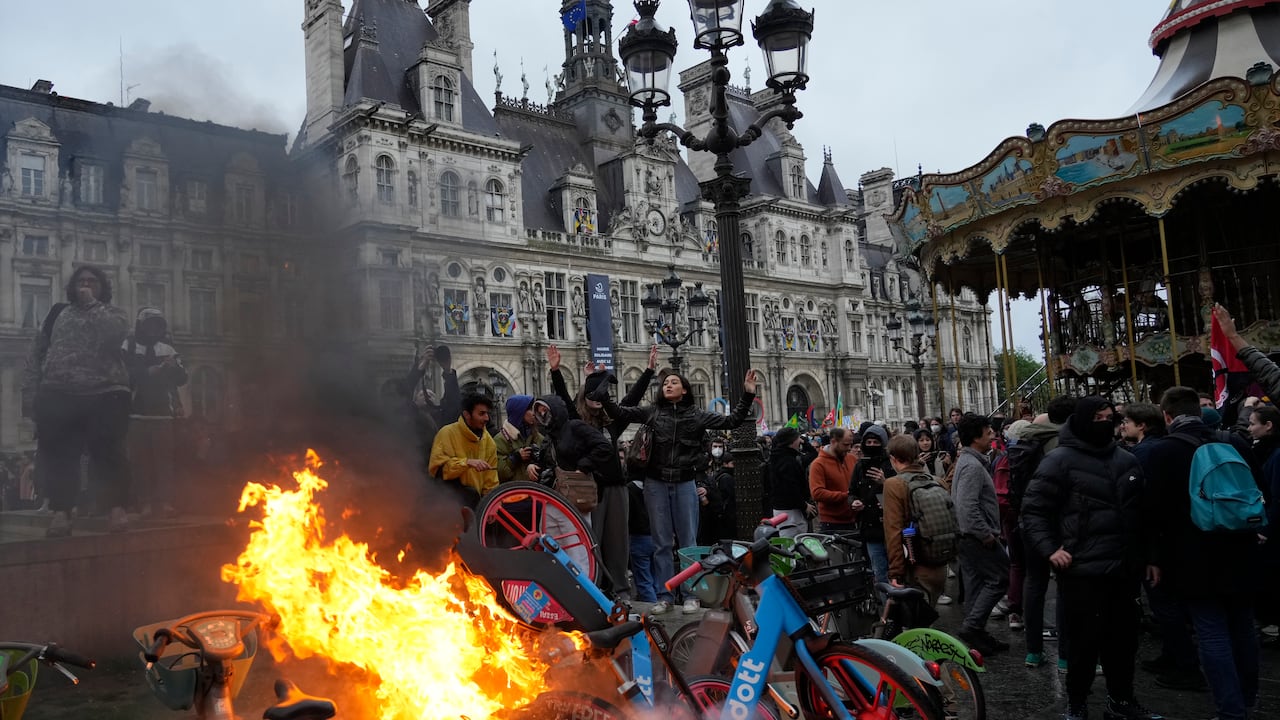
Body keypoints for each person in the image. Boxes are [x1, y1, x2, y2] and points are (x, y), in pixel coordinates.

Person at [1022, 396, 1161, 720]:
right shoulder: (1059, 461)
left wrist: (1151, 556)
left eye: (1109, 417)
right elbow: (1034, 510)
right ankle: (1077, 702)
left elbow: (1146, 514)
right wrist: (1051, 549)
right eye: (1097, 417)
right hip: (1082, 567)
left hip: (1124, 567)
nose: (1104, 422)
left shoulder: (1126, 460)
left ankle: (1121, 700)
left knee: (1123, 641)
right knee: (1083, 642)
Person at [597, 370, 759, 615]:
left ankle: (691, 595)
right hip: (656, 483)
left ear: (684, 390)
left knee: (688, 543)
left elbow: (732, 421)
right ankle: (665, 596)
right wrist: (604, 396)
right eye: (665, 383)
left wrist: (747, 394)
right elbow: (620, 412)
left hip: (684, 483)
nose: (668, 385)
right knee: (661, 544)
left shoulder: (696, 415)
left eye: (674, 382)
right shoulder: (652, 412)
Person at [1145, 386, 1260, 720]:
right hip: (1240, 546)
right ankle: (1248, 698)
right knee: (1243, 627)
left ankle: (1230, 710)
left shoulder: (1164, 451)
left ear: (1167, 415)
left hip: (1193, 553)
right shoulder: (1232, 441)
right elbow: (1259, 491)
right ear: (1199, 410)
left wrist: (1153, 556)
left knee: (1211, 632)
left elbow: (1153, 510)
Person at [22, 266, 132, 536]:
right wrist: (32, 392)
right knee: (60, 455)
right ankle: (62, 512)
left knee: (108, 452)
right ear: (71, 286)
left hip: (104, 391)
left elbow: (115, 335)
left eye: (92, 282)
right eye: (81, 281)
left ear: (102, 287)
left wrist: (92, 304)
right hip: (59, 391)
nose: (85, 285)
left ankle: (116, 509)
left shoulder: (112, 313)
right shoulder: (58, 313)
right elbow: (37, 351)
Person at [548, 344, 656, 600]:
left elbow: (631, 400)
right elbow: (564, 400)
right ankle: (593, 586)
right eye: (592, 395)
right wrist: (555, 371)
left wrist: (649, 371)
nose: (597, 400)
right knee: (591, 538)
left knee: (618, 541)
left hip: (617, 487)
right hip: (590, 487)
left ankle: (620, 589)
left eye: (601, 395)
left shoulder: (614, 421)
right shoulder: (577, 423)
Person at [1010, 396, 1075, 669]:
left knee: (1034, 583)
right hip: (1059, 519)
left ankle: (1033, 651)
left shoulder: (1024, 436)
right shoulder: (1066, 442)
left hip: (1029, 518)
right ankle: (1065, 654)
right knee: (1066, 586)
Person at [950, 412, 1010, 656]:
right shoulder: (972, 466)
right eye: (988, 433)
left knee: (976, 584)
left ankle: (976, 632)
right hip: (977, 537)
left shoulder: (970, 461)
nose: (993, 436)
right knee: (1000, 578)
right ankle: (973, 626)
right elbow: (966, 506)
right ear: (976, 438)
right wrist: (984, 533)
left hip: (969, 536)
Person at [123, 307, 187, 517]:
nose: (153, 329)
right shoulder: (129, 346)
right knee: (140, 461)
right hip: (136, 413)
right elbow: (123, 374)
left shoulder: (167, 349)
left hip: (162, 414)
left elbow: (182, 378)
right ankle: (145, 502)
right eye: (149, 325)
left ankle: (166, 501)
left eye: (157, 325)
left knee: (164, 461)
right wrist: (147, 372)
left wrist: (172, 368)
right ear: (141, 326)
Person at [882, 434, 951, 604]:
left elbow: (894, 531)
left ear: (893, 458)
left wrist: (895, 572)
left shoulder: (894, 484)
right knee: (928, 617)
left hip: (915, 566)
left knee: (914, 625)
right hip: (940, 563)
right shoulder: (937, 481)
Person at [428, 393, 499, 507]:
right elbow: (438, 471)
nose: (486, 418)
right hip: (446, 504)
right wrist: (466, 463)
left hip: (475, 506)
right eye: (481, 414)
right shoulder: (446, 433)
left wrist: (491, 505)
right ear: (467, 414)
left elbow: (491, 481)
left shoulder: (489, 442)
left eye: (487, 413)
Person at [1248, 404, 1280, 639]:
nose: (1249, 428)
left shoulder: (1276, 454)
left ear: (1268, 426)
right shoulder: (1264, 450)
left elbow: (1277, 495)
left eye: (1252, 423)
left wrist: (1266, 529)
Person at [850, 424, 894, 583]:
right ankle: (885, 605)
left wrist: (885, 482)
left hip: (891, 527)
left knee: (895, 570)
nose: (872, 446)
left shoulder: (891, 463)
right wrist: (854, 502)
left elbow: (901, 490)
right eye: (868, 442)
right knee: (879, 571)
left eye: (876, 442)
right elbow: (852, 491)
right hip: (870, 527)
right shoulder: (859, 465)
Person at [808, 428, 859, 534]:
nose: (849, 448)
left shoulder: (852, 459)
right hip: (831, 523)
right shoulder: (818, 464)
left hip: (854, 520)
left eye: (850, 444)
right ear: (833, 442)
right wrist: (847, 496)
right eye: (845, 445)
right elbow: (817, 493)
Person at [768, 427, 810, 539]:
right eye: (798, 439)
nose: (800, 442)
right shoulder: (788, 461)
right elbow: (791, 487)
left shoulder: (775, 457)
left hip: (781, 509)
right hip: (791, 512)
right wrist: (804, 505)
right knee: (794, 544)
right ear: (791, 441)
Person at [494, 395, 544, 484]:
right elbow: (499, 473)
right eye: (529, 409)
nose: (533, 413)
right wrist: (515, 458)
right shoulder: (500, 439)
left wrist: (536, 464)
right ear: (519, 412)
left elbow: (549, 464)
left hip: (535, 492)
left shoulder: (537, 436)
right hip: (512, 493)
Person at [697, 436, 737, 545]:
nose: (717, 449)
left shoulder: (726, 461)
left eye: (720, 446)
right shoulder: (706, 462)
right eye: (715, 446)